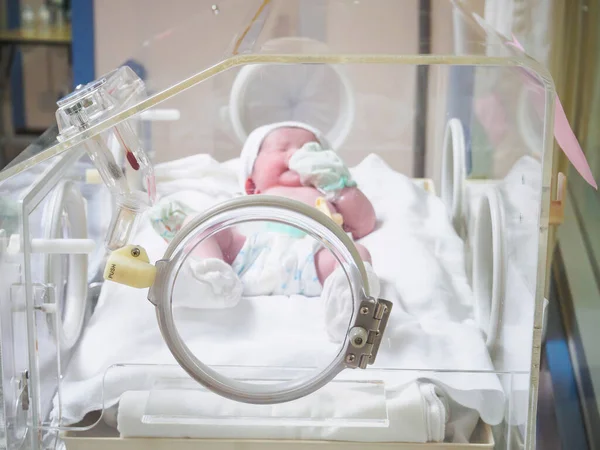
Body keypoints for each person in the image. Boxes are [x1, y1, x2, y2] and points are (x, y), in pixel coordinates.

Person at [176, 122, 380, 314]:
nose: (295, 155)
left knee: (357, 254)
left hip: (310, 258)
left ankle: (347, 305)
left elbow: (364, 223)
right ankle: (213, 279)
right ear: (251, 184)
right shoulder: (255, 196)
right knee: (199, 223)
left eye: (308, 150)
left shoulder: (327, 194)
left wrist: (338, 185)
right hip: (246, 254)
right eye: (281, 149)